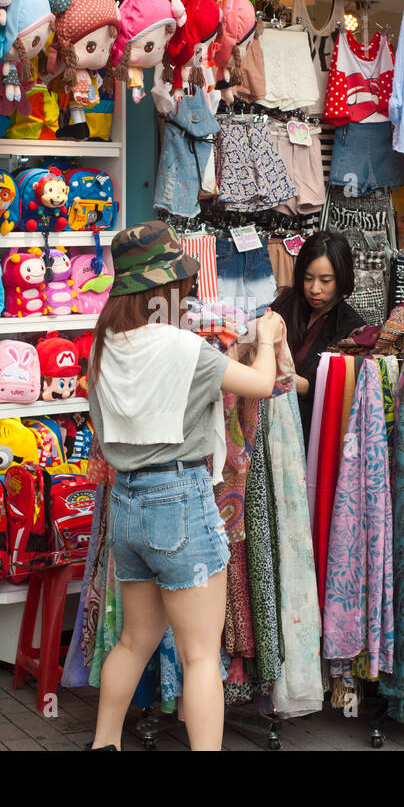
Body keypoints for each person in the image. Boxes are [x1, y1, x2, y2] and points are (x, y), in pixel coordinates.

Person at [86, 221, 284, 751]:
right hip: (179, 500)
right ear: (165, 289)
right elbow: (262, 385)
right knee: (201, 654)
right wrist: (265, 338)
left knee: (134, 640)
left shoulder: (103, 347)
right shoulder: (182, 347)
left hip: (127, 504)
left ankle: (104, 743)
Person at [269, 231, 365, 446]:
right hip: (270, 424)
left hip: (312, 436)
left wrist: (284, 379)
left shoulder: (352, 328)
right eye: (308, 279)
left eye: (326, 280)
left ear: (342, 279)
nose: (315, 289)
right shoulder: (285, 304)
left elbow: (337, 390)